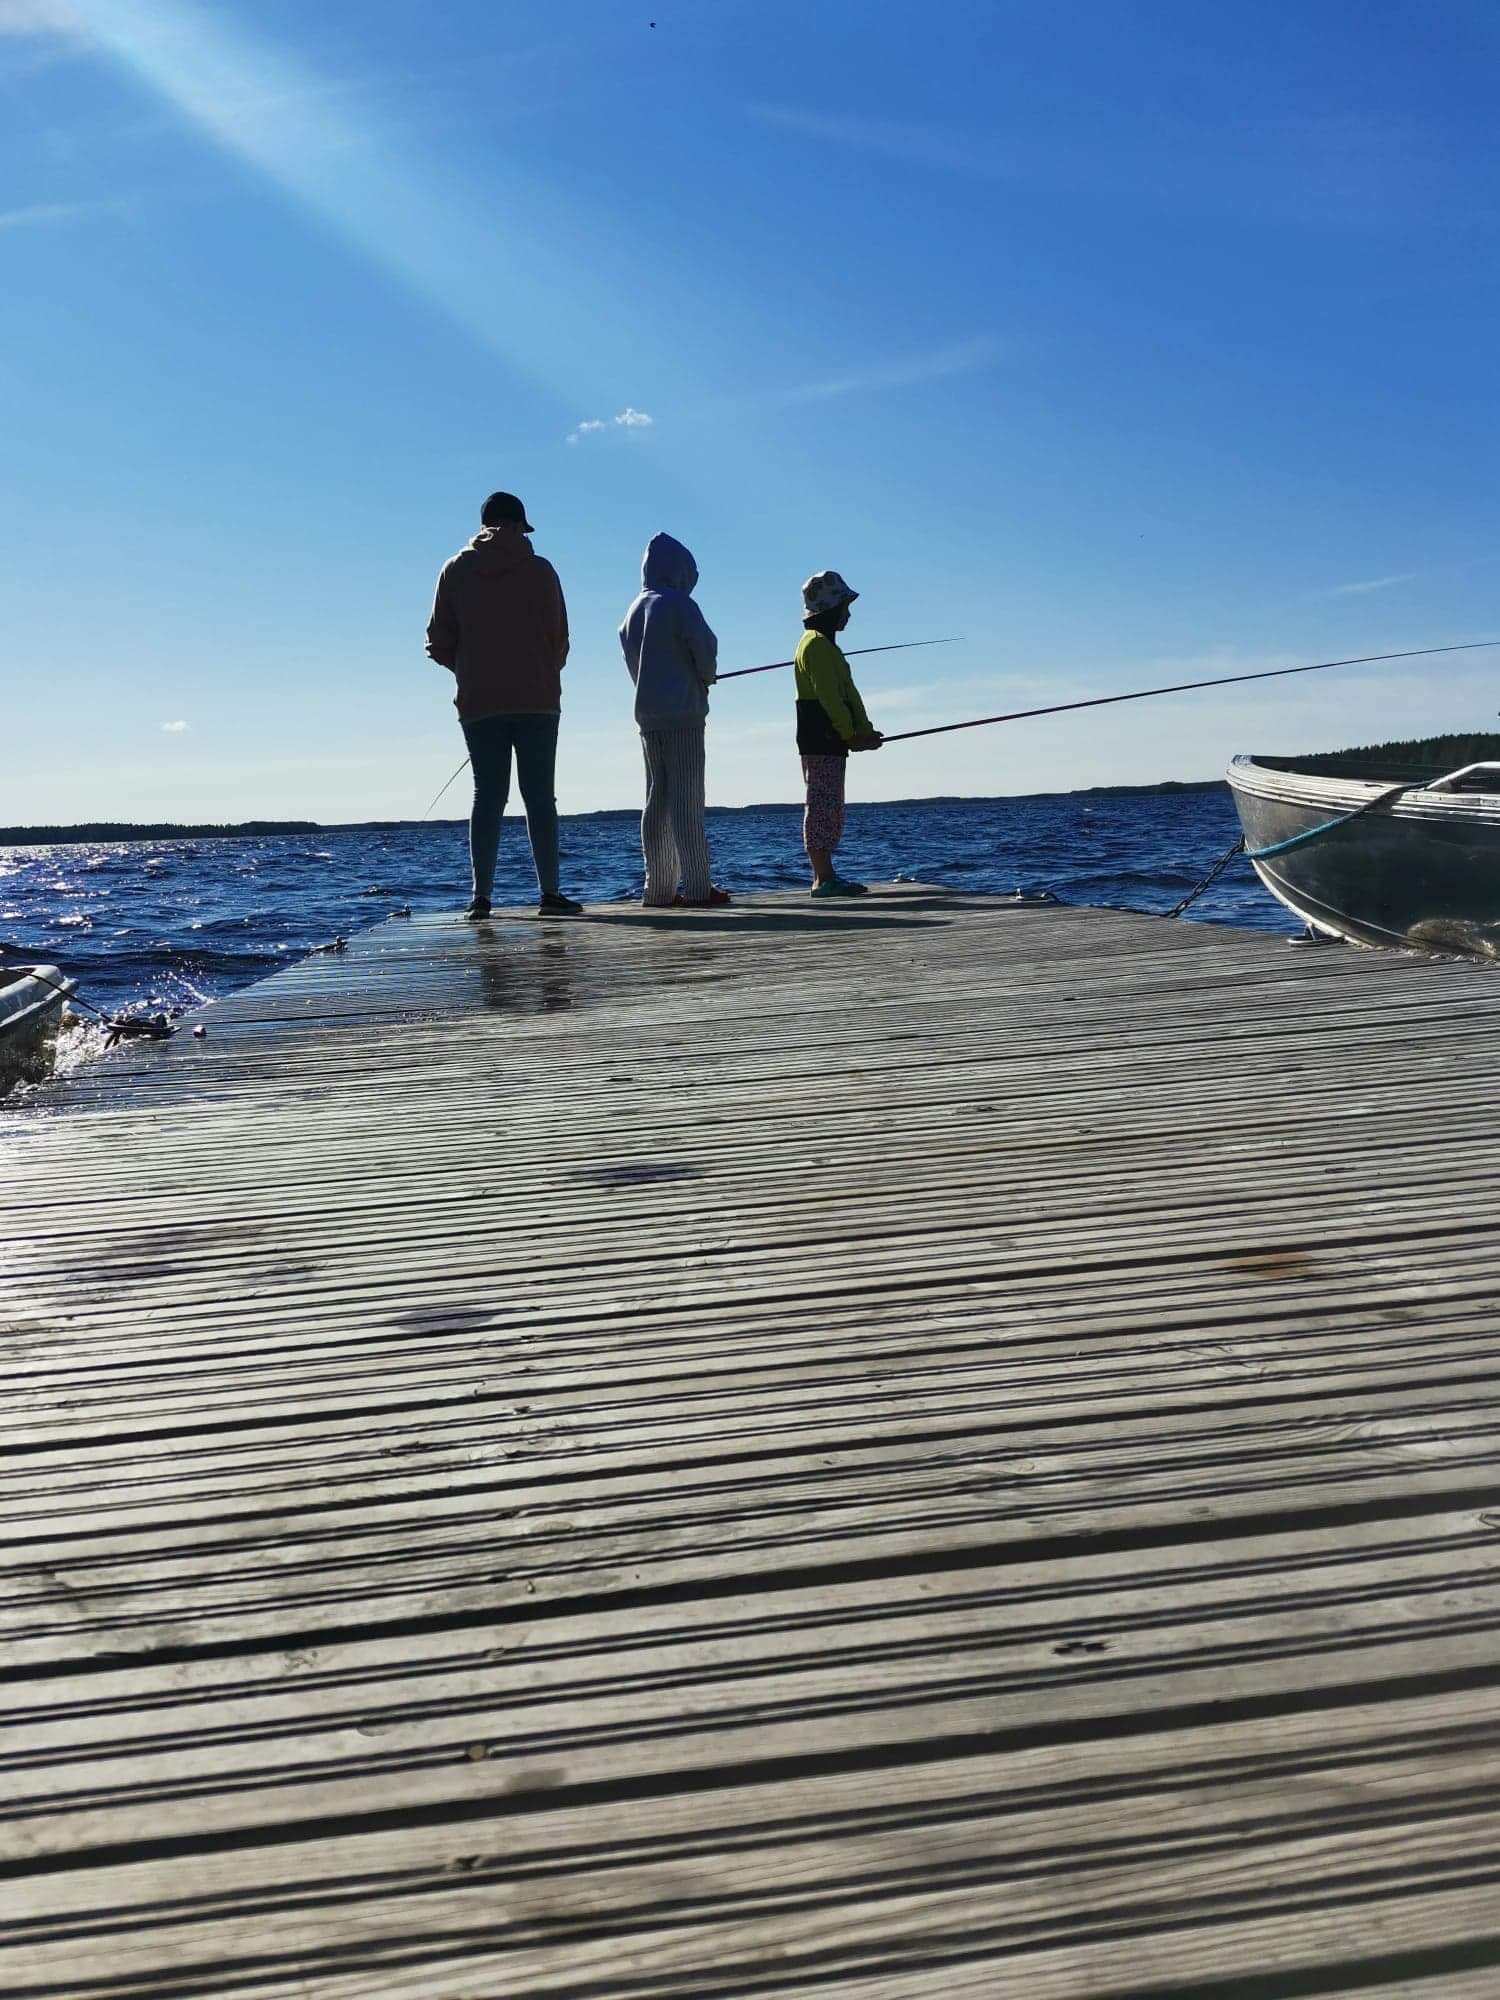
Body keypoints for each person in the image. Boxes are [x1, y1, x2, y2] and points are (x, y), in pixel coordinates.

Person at [425, 491, 582, 919]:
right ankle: (550, 893)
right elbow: (561, 639)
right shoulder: (541, 571)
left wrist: (469, 668)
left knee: (487, 796)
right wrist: (545, 669)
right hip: (539, 699)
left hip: (479, 701)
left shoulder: (454, 570)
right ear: (518, 526)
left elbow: (437, 643)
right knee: (539, 797)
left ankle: (481, 898)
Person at [619, 532, 730, 909]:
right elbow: (705, 651)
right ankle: (699, 887)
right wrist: (706, 678)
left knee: (656, 801)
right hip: (683, 713)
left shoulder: (633, 611)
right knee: (687, 801)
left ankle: (660, 889)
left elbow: (634, 666)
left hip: (647, 717)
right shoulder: (681, 605)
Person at [795, 570, 883, 896]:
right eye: (845, 605)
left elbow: (849, 696)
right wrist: (850, 735)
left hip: (831, 739)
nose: (849, 613)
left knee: (832, 805)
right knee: (821, 804)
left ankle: (826, 874)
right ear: (831, 609)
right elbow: (830, 698)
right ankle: (822, 877)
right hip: (822, 738)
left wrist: (864, 731)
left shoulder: (827, 648)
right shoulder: (815, 646)